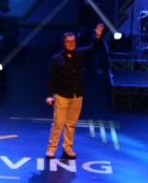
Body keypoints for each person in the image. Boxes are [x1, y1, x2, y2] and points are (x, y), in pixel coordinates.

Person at [45, 23, 104, 159]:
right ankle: (51, 148)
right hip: (62, 96)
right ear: (63, 43)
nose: (71, 44)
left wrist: (98, 36)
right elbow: (51, 78)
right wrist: (49, 95)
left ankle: (67, 148)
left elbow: (94, 48)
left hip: (77, 95)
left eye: (73, 41)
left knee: (71, 124)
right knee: (58, 123)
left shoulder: (79, 53)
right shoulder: (56, 59)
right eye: (68, 42)